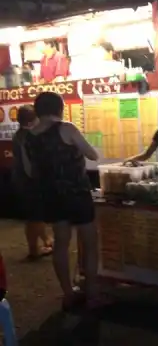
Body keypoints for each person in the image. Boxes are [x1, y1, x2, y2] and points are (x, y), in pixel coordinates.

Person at [20, 92, 100, 311]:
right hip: (78, 194)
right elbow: (93, 155)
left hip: (52, 197)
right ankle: (92, 295)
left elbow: (29, 171)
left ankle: (68, 293)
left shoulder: (29, 137)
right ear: (59, 108)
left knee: (61, 245)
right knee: (90, 244)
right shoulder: (67, 128)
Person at [12, 105, 52, 260]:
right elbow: (30, 166)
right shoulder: (28, 138)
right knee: (34, 217)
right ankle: (34, 250)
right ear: (31, 121)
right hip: (29, 182)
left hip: (21, 180)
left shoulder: (19, 135)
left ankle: (45, 240)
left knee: (36, 215)